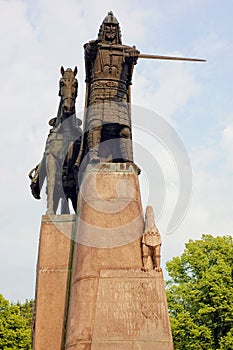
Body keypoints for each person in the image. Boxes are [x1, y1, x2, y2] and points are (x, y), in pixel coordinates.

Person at [76, 11, 140, 166]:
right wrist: (92, 46)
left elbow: (128, 75)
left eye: (113, 27)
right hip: (99, 92)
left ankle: (127, 160)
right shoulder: (95, 48)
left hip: (118, 95)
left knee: (124, 130)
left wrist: (132, 58)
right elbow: (88, 52)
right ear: (103, 29)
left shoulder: (124, 51)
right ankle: (94, 157)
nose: (111, 30)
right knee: (96, 126)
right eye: (108, 26)